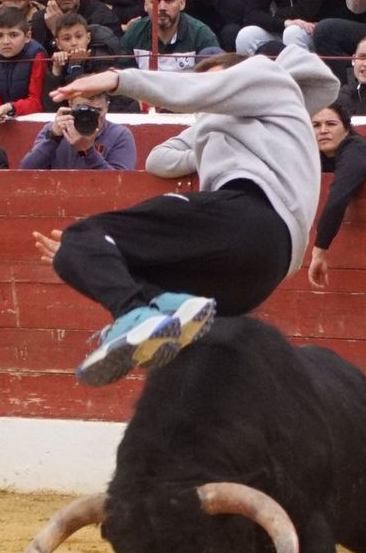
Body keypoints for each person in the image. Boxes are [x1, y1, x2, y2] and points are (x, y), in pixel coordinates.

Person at [34, 47, 339, 386]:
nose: (208, 99)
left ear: (238, 75)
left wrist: (118, 79)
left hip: (250, 218)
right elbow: (158, 159)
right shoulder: (240, 123)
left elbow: (190, 93)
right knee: (73, 256)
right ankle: (165, 306)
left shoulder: (269, 78)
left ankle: (133, 316)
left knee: (81, 236)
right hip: (257, 276)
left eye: (216, 85)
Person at [305, 100, 366, 286]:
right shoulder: (317, 155)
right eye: (316, 125)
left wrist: (319, 251)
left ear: (347, 128)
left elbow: (337, 199)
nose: (323, 130)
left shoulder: (356, 149)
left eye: (331, 124)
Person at [121, 0, 222, 70]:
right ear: (146, 5)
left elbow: (213, 79)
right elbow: (122, 75)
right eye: (156, 1)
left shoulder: (201, 34)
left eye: (168, 0)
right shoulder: (134, 32)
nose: (162, 8)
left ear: (182, 3)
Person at [23, 88, 136, 168]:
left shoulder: (120, 135)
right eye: (84, 110)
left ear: (107, 107)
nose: (90, 117)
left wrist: (87, 151)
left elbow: (119, 182)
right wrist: (53, 139)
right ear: (70, 105)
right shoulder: (54, 129)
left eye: (97, 111)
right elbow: (26, 171)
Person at [0, 5, 48, 122]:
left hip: (29, 119)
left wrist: (11, 108)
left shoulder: (37, 55)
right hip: (1, 115)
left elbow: (36, 101)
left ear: (27, 36)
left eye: (13, 35)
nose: (6, 41)